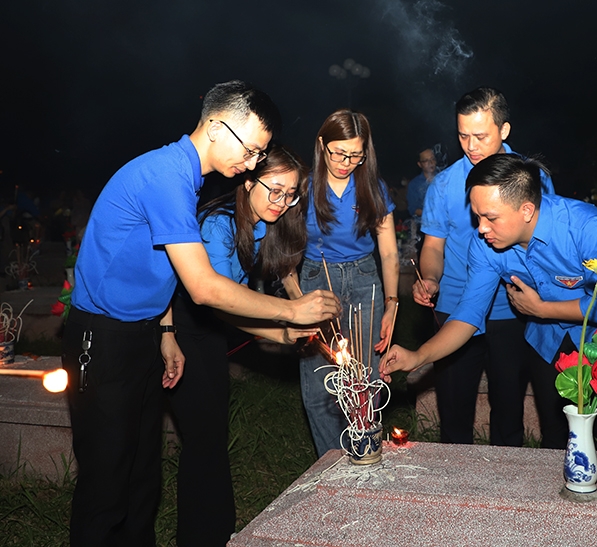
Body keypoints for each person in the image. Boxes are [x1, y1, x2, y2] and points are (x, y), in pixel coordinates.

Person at [61, 80, 340, 547]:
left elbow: (166, 266)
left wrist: (166, 332)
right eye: (251, 150)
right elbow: (206, 287)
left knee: (141, 477)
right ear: (215, 125)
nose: (251, 163)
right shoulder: (165, 177)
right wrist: (292, 311)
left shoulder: (184, 176)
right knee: (106, 483)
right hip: (102, 338)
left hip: (142, 333)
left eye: (259, 154)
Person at [383, 154, 597, 452]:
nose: (481, 229)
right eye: (476, 217)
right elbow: (469, 314)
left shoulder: (586, 229)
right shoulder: (486, 246)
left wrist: (541, 309)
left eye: (491, 217)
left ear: (526, 210)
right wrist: (418, 357)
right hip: (548, 339)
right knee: (555, 436)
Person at [168, 146, 317, 546]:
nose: (282, 202)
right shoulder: (218, 225)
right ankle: (202, 536)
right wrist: (285, 325)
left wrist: (299, 302)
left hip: (211, 335)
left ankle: (218, 530)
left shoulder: (263, 222)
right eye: (274, 190)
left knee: (211, 435)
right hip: (186, 331)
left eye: (291, 194)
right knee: (203, 440)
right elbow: (219, 302)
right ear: (248, 182)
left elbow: (281, 271)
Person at [415, 87, 556, 447]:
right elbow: (433, 245)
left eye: (481, 136)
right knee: (454, 409)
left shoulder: (531, 178)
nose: (471, 145)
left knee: (509, 409)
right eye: (463, 135)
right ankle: (454, 489)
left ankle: (507, 491)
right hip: (455, 305)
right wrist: (430, 279)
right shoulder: (445, 184)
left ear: (504, 130)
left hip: (513, 310)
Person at [299, 108, 399, 457]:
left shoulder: (373, 187)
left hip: (363, 278)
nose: (346, 162)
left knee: (366, 380)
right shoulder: (303, 186)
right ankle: (331, 463)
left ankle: (366, 453)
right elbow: (283, 250)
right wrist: (296, 301)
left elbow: (388, 253)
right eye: (339, 153)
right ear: (322, 144)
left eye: (356, 154)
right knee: (318, 382)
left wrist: (392, 304)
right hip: (316, 277)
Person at [406, 148, 437, 221]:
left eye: (432, 159)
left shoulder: (443, 179)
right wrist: (431, 214)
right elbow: (412, 209)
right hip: (425, 224)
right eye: (426, 161)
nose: (431, 163)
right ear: (420, 164)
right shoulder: (414, 184)